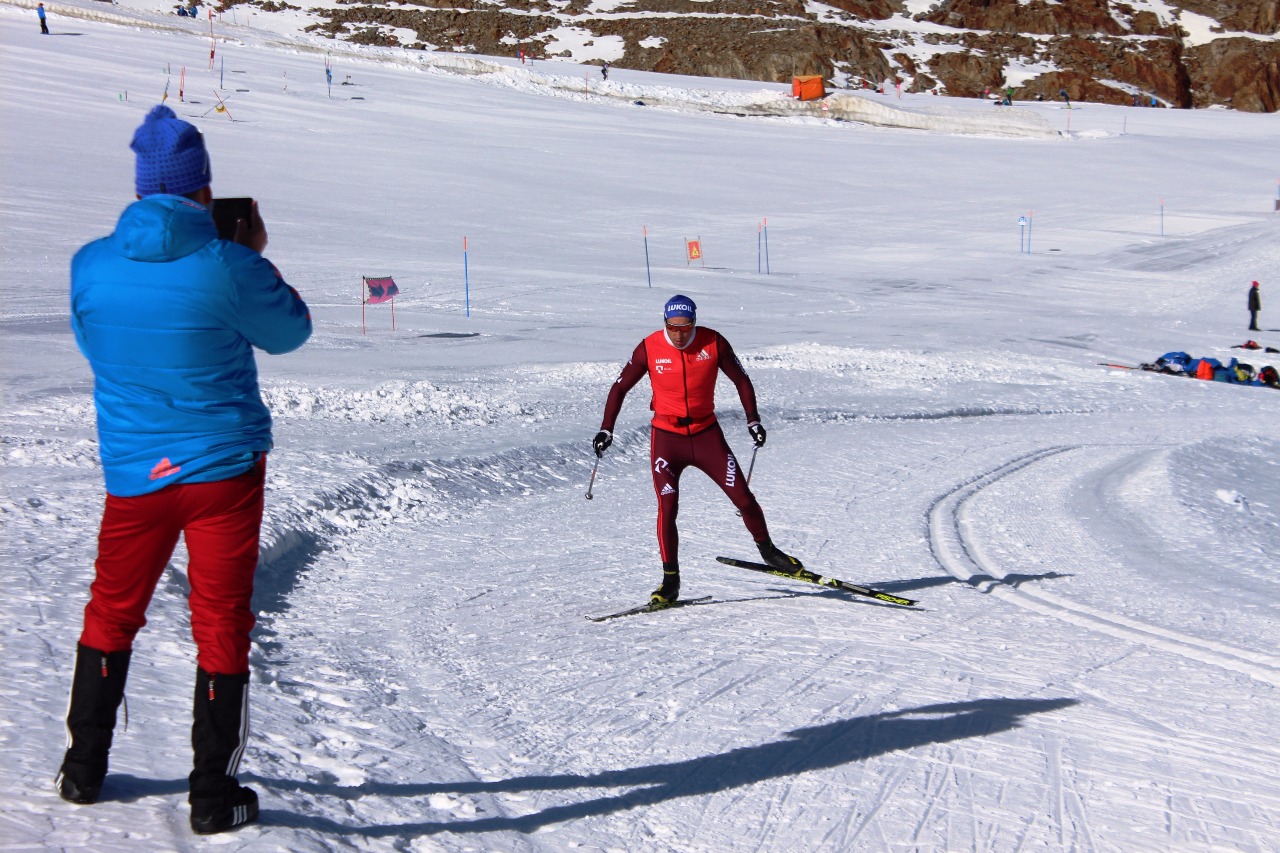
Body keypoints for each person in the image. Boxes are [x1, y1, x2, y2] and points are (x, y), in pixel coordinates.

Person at [58, 104, 311, 835]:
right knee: (222, 619)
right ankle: (212, 792)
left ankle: (83, 769)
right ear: (203, 189)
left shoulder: (90, 263)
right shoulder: (228, 265)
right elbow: (291, 330)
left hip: (136, 471)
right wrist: (254, 252)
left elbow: (92, 339)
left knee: (112, 609)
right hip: (222, 471)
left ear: (143, 188)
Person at [592, 295, 804, 605]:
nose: (679, 335)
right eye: (672, 328)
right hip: (667, 439)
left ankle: (769, 551)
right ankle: (670, 581)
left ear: (694, 321)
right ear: (664, 323)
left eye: (686, 327)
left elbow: (742, 380)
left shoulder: (713, 343)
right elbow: (619, 387)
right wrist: (606, 427)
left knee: (743, 497)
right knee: (667, 508)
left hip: (706, 436)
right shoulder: (649, 347)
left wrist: (753, 420)